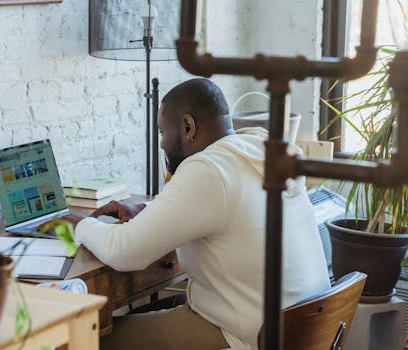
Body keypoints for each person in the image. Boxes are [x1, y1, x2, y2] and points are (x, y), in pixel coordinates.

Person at [63, 78, 330, 350]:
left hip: (244, 335)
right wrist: (146, 210)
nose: (163, 144)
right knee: (142, 315)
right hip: (303, 326)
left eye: (162, 132)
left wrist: (79, 223)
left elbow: (122, 250)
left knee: (89, 336)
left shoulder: (208, 168)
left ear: (187, 126)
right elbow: (222, 206)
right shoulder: (261, 149)